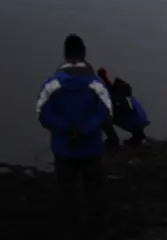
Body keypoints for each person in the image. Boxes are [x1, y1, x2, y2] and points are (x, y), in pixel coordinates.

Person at [36, 34, 114, 236]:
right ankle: (97, 231)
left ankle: (71, 230)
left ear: (65, 54)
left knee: (67, 195)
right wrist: (85, 129)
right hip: (91, 149)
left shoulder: (51, 84)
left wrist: (65, 128)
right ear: (84, 53)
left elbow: (42, 114)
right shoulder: (96, 84)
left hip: (64, 150)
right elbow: (106, 112)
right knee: (95, 194)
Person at [97, 68, 150, 147]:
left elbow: (120, 105)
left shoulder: (121, 99)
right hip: (137, 119)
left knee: (103, 117)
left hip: (134, 120)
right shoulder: (125, 97)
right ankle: (117, 140)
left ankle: (113, 141)